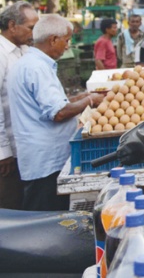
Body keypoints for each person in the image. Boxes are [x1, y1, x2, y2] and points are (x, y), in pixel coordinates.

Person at [8, 15, 105, 210]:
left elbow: (48, 104)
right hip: (45, 162)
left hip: (40, 157)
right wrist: (91, 100)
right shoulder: (37, 68)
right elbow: (58, 112)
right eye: (67, 40)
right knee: (44, 221)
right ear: (53, 39)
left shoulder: (30, 63)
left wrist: (80, 98)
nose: (68, 46)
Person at [0, 1, 39, 209]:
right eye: (31, 27)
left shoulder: (24, 50)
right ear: (13, 25)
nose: (34, 33)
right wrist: (3, 152)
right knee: (9, 205)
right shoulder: (1, 54)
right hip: (7, 151)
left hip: (23, 145)